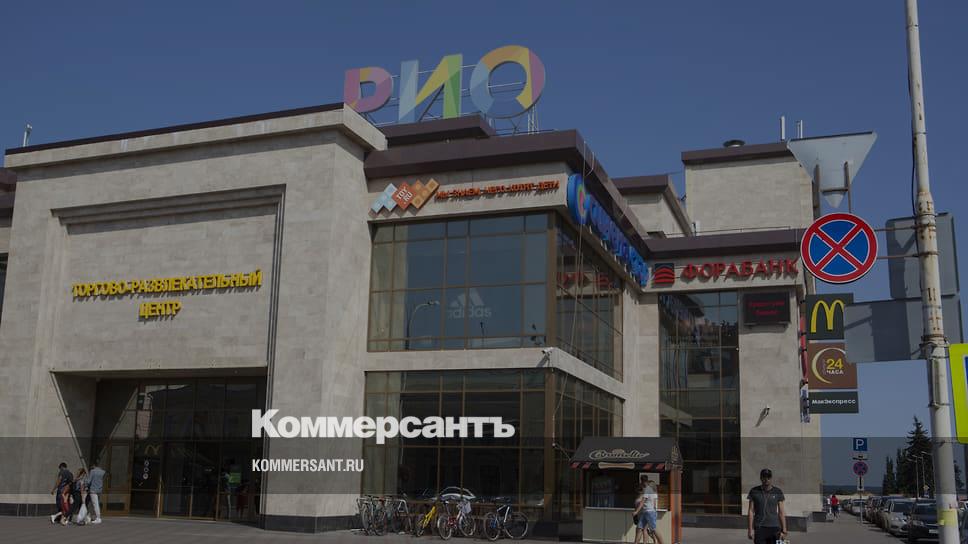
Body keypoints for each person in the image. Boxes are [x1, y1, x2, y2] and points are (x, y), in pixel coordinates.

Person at [747, 468, 787, 544]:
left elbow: (781, 512)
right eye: (764, 477)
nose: (766, 479)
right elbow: (751, 511)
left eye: (768, 477)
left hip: (775, 528)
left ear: (771, 478)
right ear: (760, 478)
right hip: (759, 528)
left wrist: (784, 529)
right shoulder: (754, 491)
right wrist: (750, 529)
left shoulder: (778, 491)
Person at [633, 479, 665, 544]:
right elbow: (654, 504)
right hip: (647, 512)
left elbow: (642, 502)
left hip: (649, 512)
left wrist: (636, 511)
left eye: (647, 484)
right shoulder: (654, 492)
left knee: (653, 528)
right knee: (639, 528)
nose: (645, 485)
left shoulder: (648, 490)